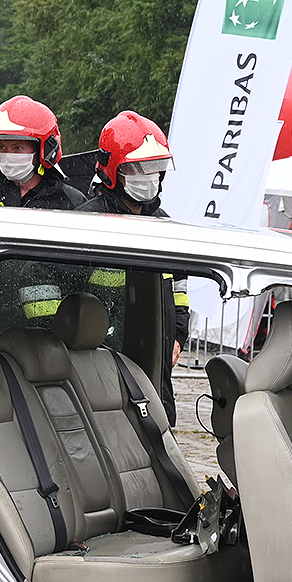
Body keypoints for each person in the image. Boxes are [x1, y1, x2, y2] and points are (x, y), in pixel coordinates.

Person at [88, 110, 190, 418]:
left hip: (154, 355)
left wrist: (179, 337)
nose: (149, 177)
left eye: (155, 168)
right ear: (113, 171)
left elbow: (180, 291)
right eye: (138, 168)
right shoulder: (85, 223)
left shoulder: (166, 227)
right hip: (102, 356)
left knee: (158, 427)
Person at [0, 96, 83, 210]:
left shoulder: (71, 203)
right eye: (2, 147)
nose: (9, 156)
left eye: (18, 148)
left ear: (43, 151)